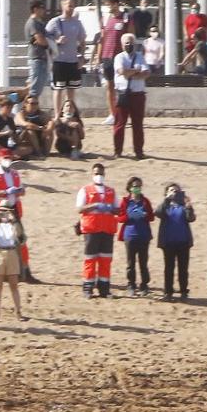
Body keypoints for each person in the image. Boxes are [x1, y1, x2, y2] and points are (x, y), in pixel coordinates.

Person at [0, 149, 38, 282]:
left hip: (13, 210)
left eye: (9, 158)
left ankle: (24, 271)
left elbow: (22, 190)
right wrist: (6, 192)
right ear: (0, 158)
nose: (8, 160)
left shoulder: (14, 174)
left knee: (20, 240)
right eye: (5, 158)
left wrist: (18, 191)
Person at [76, 162, 120, 299]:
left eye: (101, 173)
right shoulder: (85, 190)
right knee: (90, 259)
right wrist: (95, 205)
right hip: (91, 229)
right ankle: (88, 288)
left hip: (107, 229)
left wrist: (110, 208)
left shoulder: (111, 191)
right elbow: (79, 208)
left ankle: (104, 288)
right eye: (96, 173)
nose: (98, 176)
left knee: (105, 259)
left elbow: (118, 209)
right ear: (92, 174)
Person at [44, 0, 86, 113]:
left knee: (72, 89)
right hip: (59, 61)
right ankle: (57, 115)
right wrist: (57, 41)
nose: (71, 8)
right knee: (58, 89)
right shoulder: (55, 22)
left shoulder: (77, 23)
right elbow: (45, 38)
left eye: (73, 5)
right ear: (63, 6)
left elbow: (82, 41)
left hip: (72, 61)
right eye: (69, 5)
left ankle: (69, 113)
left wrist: (82, 57)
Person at [94, 0, 130, 126]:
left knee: (123, 87)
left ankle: (124, 113)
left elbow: (130, 36)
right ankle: (112, 114)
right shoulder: (105, 18)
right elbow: (101, 39)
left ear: (116, 4)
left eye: (109, 4)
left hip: (120, 57)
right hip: (107, 56)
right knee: (110, 86)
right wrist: (98, 57)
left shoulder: (125, 18)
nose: (108, 6)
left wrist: (129, 55)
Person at [155, 182, 195, 301]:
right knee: (169, 268)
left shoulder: (183, 205)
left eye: (176, 191)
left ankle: (183, 291)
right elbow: (158, 213)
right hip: (168, 242)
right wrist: (167, 200)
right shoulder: (165, 205)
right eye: (171, 190)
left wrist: (188, 206)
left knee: (183, 269)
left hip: (183, 242)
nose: (174, 192)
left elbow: (191, 218)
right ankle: (168, 292)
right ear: (166, 192)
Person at [115, 176, 154, 296]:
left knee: (143, 262)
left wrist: (144, 214)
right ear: (130, 188)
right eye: (135, 186)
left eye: (139, 186)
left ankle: (144, 285)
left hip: (143, 235)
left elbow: (151, 217)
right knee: (130, 263)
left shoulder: (145, 201)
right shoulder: (125, 201)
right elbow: (120, 218)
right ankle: (131, 284)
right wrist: (129, 215)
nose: (137, 189)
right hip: (130, 235)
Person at [0, 200, 26, 319]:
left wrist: (13, 220)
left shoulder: (14, 223)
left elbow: (20, 237)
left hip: (11, 252)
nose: (3, 213)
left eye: (6, 210)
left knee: (14, 284)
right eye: (1, 210)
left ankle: (18, 312)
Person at [113, 32, 149, 159]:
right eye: (127, 43)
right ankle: (118, 151)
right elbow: (122, 72)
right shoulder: (119, 57)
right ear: (122, 45)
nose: (129, 45)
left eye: (131, 43)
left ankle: (139, 151)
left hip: (138, 94)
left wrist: (130, 73)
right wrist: (136, 71)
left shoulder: (140, 56)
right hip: (123, 93)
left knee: (138, 124)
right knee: (119, 124)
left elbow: (146, 73)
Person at [25, 0, 51, 99]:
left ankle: (32, 107)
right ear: (35, 9)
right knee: (34, 88)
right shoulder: (32, 23)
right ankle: (27, 110)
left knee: (38, 87)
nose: (43, 10)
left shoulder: (40, 23)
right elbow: (40, 40)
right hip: (36, 58)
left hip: (42, 58)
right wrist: (48, 44)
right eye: (42, 8)